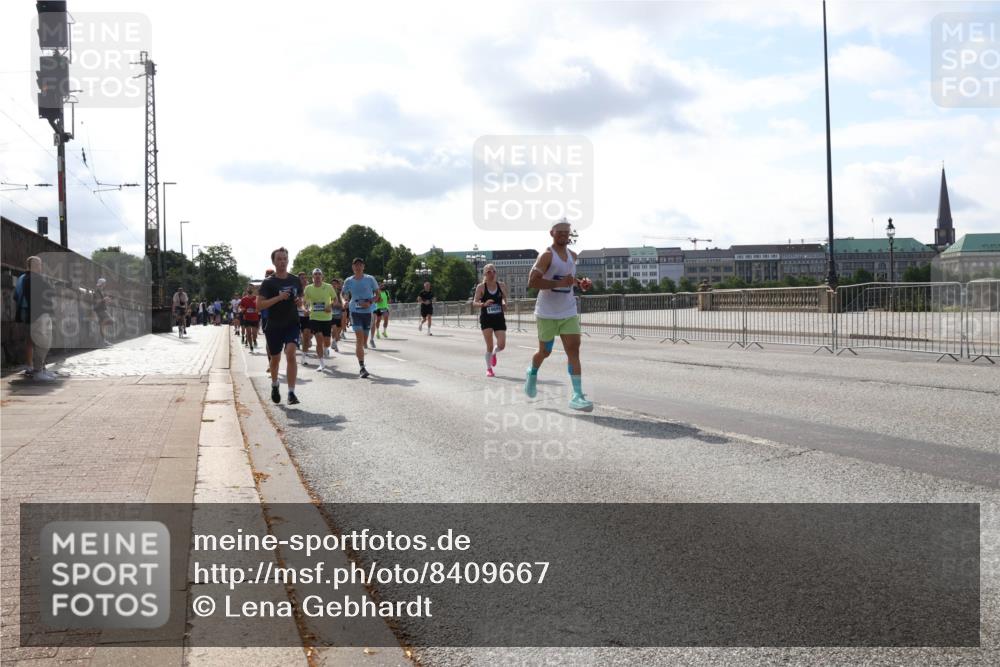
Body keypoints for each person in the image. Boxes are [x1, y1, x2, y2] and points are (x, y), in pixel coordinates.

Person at [524, 219, 594, 411]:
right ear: (552, 233)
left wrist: (580, 283)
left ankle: (577, 395)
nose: (564, 235)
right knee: (544, 352)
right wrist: (560, 283)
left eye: (567, 232)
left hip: (568, 310)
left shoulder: (573, 255)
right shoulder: (546, 256)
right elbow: (533, 282)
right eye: (560, 232)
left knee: (574, 350)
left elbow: (567, 279)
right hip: (547, 312)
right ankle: (532, 372)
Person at [257, 248, 302, 404]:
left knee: (291, 353)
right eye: (279, 259)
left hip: (292, 323)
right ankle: (275, 385)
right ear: (274, 262)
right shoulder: (268, 282)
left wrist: (299, 302)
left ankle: (291, 393)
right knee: (275, 359)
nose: (282, 261)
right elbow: (259, 306)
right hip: (274, 325)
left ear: (288, 260)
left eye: (285, 259)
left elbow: (300, 300)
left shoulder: (295, 280)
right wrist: (278, 297)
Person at [14, 255, 56, 380]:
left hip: (37, 314)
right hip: (37, 314)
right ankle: (38, 371)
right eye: (37, 264)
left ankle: (40, 369)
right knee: (41, 343)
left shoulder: (32, 278)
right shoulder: (29, 279)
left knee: (41, 342)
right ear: (30, 266)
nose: (40, 267)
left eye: (40, 264)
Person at [340, 257, 380, 378]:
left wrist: (370, 302)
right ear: (353, 267)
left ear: (363, 267)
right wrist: (343, 301)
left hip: (367, 312)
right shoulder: (349, 280)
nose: (358, 267)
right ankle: (362, 367)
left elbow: (377, 294)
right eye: (355, 265)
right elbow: (342, 293)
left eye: (360, 265)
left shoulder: (370, 279)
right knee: (359, 338)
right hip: (355, 311)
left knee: (364, 340)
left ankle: (361, 356)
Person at [472, 263, 507, 377]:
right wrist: (484, 304)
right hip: (486, 318)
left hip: (499, 318)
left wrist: (504, 304)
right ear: (484, 274)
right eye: (488, 272)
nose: (491, 274)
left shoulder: (501, 285)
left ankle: (494, 354)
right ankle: (489, 369)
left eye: (493, 271)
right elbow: (474, 303)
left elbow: (504, 299)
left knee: (501, 345)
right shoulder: (481, 287)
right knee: (489, 345)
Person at [304, 268, 337, 371]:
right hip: (314, 317)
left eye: (319, 274)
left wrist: (330, 306)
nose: (317, 276)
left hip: (327, 318)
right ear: (312, 277)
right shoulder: (308, 288)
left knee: (326, 342)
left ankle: (326, 348)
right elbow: (305, 302)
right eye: (315, 274)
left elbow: (335, 299)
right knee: (319, 339)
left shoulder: (328, 287)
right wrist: (306, 309)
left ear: (322, 276)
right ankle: (322, 364)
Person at [296, 271, 314, 363]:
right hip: (296, 315)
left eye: (305, 278)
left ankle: (303, 357)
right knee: (299, 336)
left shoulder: (310, 289)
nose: (303, 279)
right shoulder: (295, 290)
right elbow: (299, 303)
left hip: (307, 316)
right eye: (301, 278)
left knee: (307, 336)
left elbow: (313, 302)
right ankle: (297, 339)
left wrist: (309, 310)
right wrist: (304, 310)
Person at [238, 284, 260, 352]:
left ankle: (254, 340)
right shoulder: (244, 299)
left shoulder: (257, 298)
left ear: (253, 290)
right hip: (247, 318)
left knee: (254, 334)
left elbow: (261, 306)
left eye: (251, 288)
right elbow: (240, 307)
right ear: (247, 290)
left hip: (255, 318)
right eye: (249, 288)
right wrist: (242, 309)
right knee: (248, 333)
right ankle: (251, 346)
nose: (250, 289)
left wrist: (258, 309)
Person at [93, 277, 113, 346]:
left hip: (101, 309)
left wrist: (106, 300)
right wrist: (104, 299)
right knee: (110, 321)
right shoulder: (97, 291)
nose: (105, 285)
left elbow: (101, 301)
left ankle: (103, 341)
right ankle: (103, 340)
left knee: (104, 324)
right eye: (104, 283)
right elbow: (97, 301)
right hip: (100, 310)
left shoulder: (101, 291)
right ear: (102, 284)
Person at [328, 277, 343, 353]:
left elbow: (342, 303)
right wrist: (332, 304)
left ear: (337, 285)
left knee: (338, 331)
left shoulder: (340, 293)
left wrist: (341, 304)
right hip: (330, 314)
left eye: (335, 284)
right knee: (334, 330)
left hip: (339, 315)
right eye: (332, 284)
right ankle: (334, 344)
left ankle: (334, 342)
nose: (334, 285)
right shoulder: (328, 292)